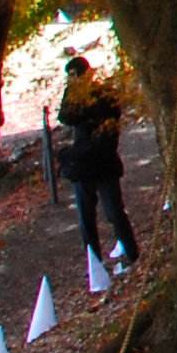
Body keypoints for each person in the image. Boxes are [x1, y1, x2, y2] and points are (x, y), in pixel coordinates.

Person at [58, 54, 138, 272]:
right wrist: (74, 95)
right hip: (83, 164)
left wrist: (87, 107)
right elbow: (65, 116)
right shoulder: (72, 97)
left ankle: (132, 255)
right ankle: (94, 263)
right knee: (86, 217)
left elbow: (112, 116)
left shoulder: (104, 94)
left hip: (103, 160)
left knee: (114, 211)